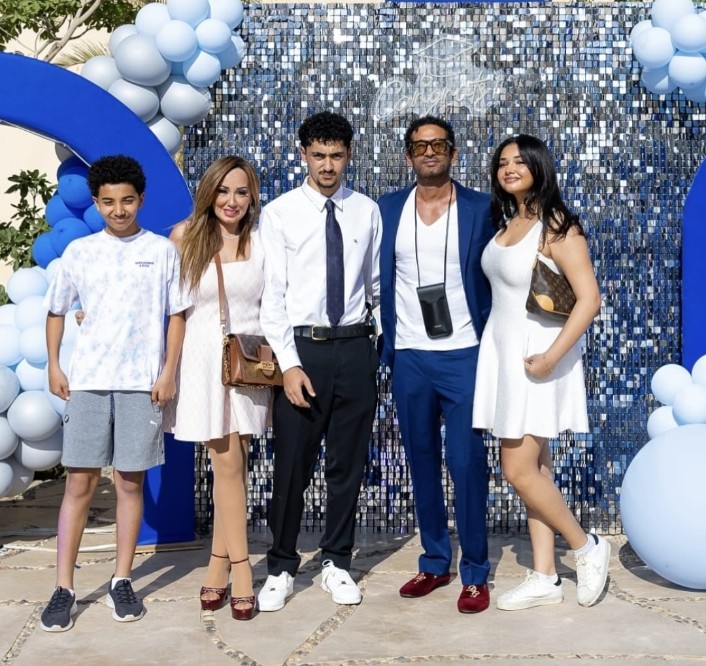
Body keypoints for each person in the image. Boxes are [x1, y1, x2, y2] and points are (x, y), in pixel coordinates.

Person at [40, 155, 189, 632]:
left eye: (127, 200)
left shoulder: (162, 251)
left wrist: (168, 372)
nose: (118, 210)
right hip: (88, 383)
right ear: (97, 202)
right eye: (108, 202)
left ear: (141, 199)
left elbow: (177, 315)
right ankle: (63, 587)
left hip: (141, 386)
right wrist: (55, 364)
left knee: (129, 483)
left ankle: (121, 580)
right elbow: (56, 310)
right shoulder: (80, 252)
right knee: (79, 484)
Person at [472, 134, 609, 610]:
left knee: (517, 468)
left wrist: (551, 357)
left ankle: (586, 546)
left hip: (537, 358)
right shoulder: (510, 222)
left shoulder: (556, 225)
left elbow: (589, 299)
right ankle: (545, 575)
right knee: (537, 469)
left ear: (538, 166)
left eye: (519, 161)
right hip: (505, 354)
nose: (509, 168)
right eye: (502, 162)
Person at [257, 111, 380, 611]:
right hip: (303, 349)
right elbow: (272, 297)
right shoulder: (279, 213)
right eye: (318, 155)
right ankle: (282, 566)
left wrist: (376, 348)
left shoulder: (366, 210)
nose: (327, 165)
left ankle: (337, 561)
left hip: (354, 347)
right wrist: (289, 364)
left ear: (348, 156)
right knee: (291, 465)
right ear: (303, 154)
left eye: (336, 155)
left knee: (347, 463)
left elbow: (375, 286)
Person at [378, 116, 495, 614]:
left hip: (465, 352)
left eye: (439, 145)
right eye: (420, 146)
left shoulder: (482, 208)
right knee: (421, 459)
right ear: (408, 156)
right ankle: (434, 562)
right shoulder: (387, 209)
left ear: (453, 153)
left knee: (467, 463)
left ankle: (476, 572)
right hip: (409, 355)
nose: (429, 152)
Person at [164, 156, 270, 621]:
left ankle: (217, 563)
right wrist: (168, 370)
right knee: (225, 463)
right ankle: (242, 570)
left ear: (252, 197)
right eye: (223, 191)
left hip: (248, 365)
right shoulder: (184, 236)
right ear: (208, 192)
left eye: (241, 192)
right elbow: (173, 310)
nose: (232, 201)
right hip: (204, 364)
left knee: (235, 467)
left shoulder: (262, 241)